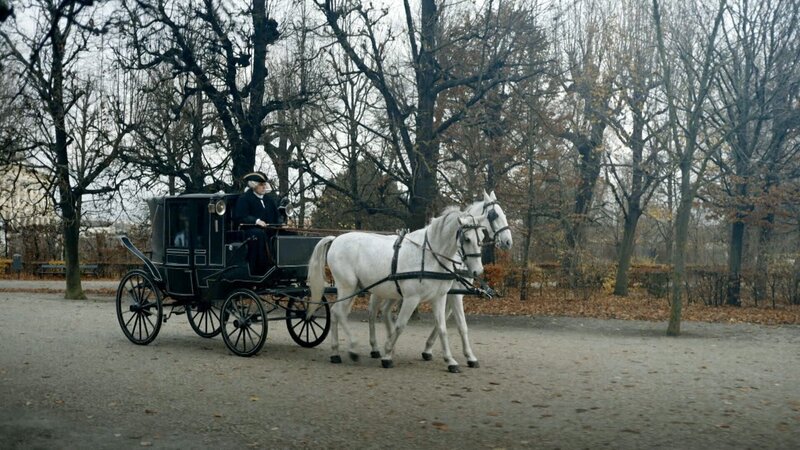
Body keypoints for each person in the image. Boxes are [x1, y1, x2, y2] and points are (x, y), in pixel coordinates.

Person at [233, 171, 283, 275]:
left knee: (287, 233)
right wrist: (256, 221)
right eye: (261, 185)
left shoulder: (269, 199)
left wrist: (281, 224)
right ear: (254, 185)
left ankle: (284, 266)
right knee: (259, 234)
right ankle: (260, 269)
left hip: (269, 229)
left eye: (265, 184)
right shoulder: (245, 198)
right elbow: (240, 217)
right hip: (249, 231)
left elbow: (277, 215)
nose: (264, 187)